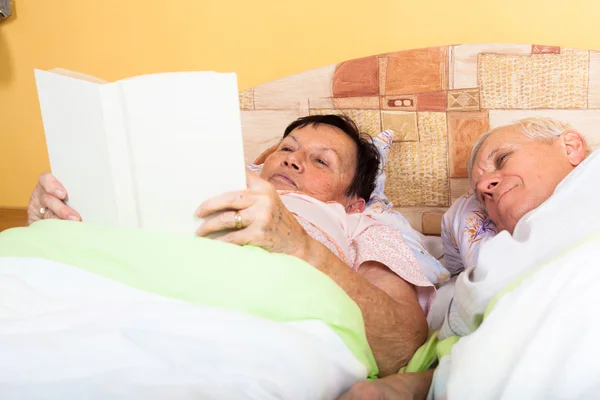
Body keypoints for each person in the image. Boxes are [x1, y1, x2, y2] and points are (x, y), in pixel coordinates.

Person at [26, 114, 434, 377]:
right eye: (287, 148)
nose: (292, 160)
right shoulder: (213, 176)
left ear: (353, 200)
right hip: (103, 290)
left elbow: (402, 344)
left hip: (238, 329)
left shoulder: (364, 223)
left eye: (321, 161)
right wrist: (55, 217)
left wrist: (300, 245)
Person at [340, 117, 594, 399]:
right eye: (480, 195)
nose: (486, 185)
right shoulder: (497, 262)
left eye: (502, 159)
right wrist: (416, 384)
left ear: (570, 147)